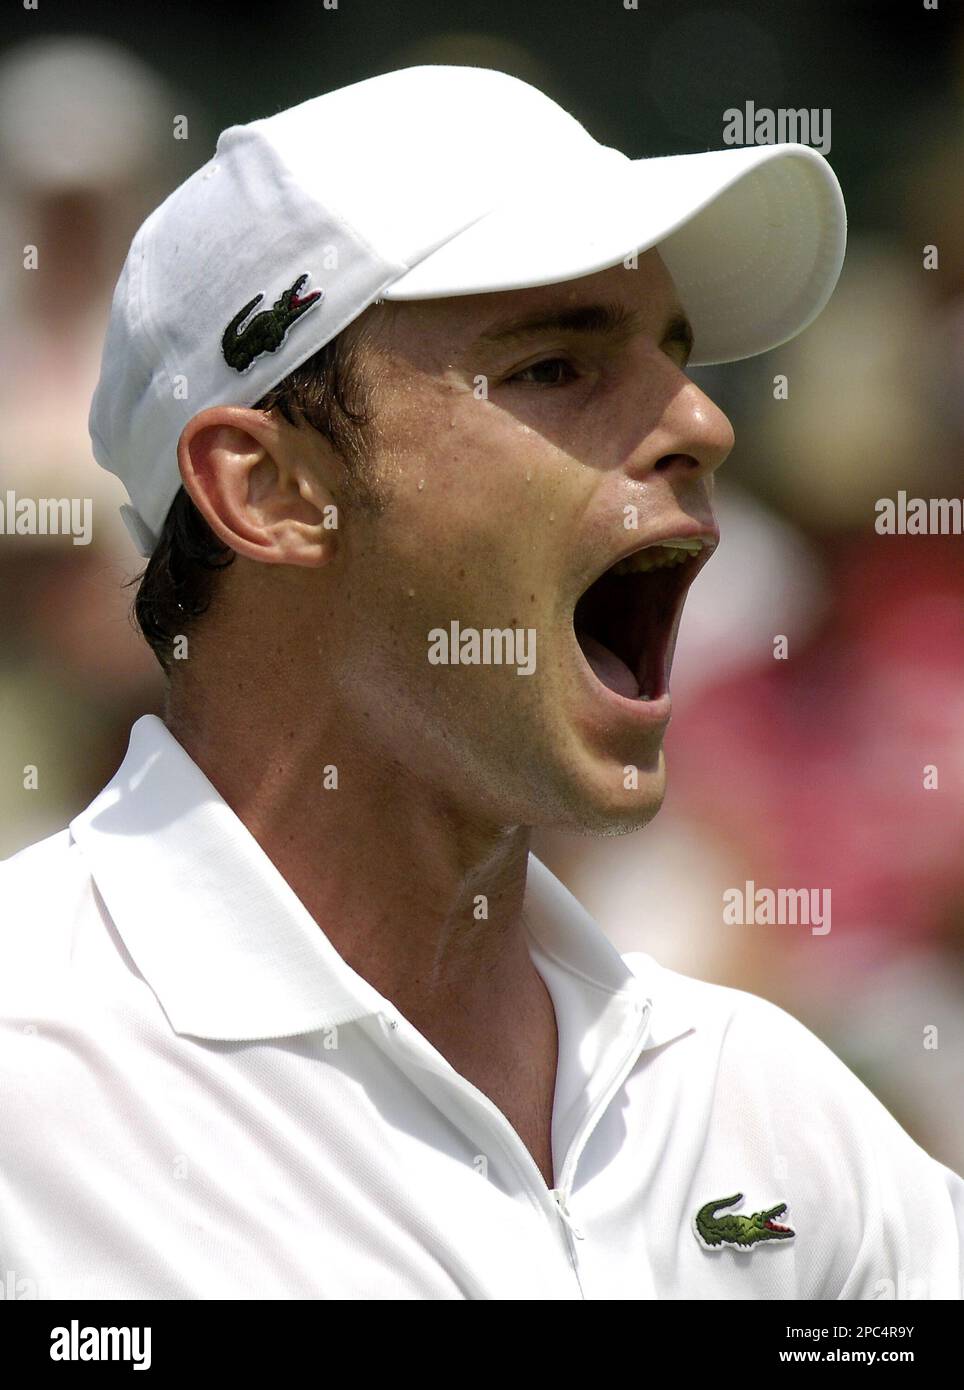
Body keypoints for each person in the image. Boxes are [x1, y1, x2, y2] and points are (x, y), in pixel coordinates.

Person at [2, 65, 960, 1300]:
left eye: (676, 354)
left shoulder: (770, 1110)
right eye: (555, 366)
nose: (703, 423)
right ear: (270, 488)